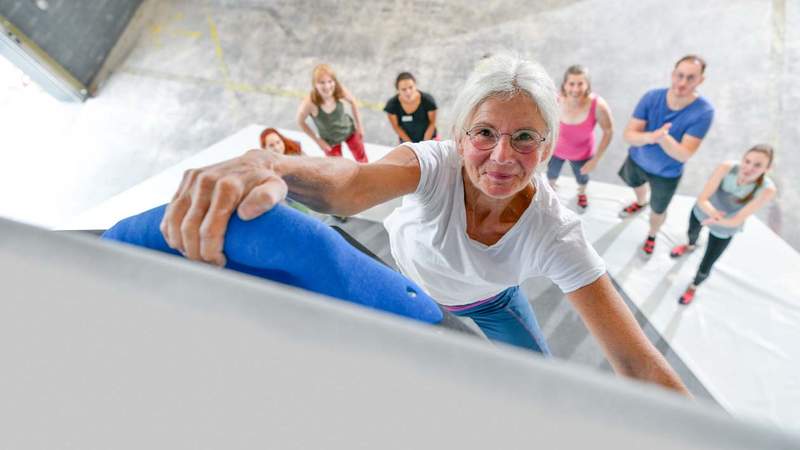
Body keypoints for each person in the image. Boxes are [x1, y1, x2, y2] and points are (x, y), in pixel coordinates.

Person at [160, 54, 689, 395]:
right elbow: (350, 183)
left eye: (525, 137)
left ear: (548, 146)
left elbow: (638, 364)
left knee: (539, 384)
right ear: (459, 138)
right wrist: (273, 164)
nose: (502, 157)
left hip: (491, 302)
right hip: (411, 280)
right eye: (485, 133)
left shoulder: (555, 232)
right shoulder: (435, 165)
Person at [618, 55, 715, 255]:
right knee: (637, 187)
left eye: (690, 78)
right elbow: (629, 135)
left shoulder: (704, 111)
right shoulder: (652, 97)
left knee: (658, 210)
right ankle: (640, 202)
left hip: (666, 174)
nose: (682, 82)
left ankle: (652, 234)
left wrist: (663, 138)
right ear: (672, 74)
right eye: (680, 75)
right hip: (637, 160)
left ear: (700, 80)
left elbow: (683, 155)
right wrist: (651, 136)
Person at [670, 145, 777, 305]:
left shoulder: (767, 189)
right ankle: (690, 245)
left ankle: (694, 285)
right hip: (705, 211)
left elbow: (739, 219)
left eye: (757, 165)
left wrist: (716, 221)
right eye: (747, 161)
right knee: (692, 233)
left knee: (709, 260)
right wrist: (712, 214)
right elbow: (702, 198)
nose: (749, 168)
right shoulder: (727, 167)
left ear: (767, 169)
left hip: (726, 226)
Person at [547, 65, 613, 208]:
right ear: (564, 85)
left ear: (587, 85)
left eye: (580, 84)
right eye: (571, 84)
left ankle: (582, 193)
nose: (576, 89)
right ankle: (550, 189)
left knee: (582, 178)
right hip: (556, 151)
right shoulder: (554, 101)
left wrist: (595, 160)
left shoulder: (598, 105)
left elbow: (608, 131)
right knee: (552, 173)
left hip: (583, 154)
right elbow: (543, 122)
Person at [296, 64, 368, 162]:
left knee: (362, 159)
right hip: (329, 141)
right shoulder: (310, 103)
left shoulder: (338, 90)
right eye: (322, 83)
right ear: (315, 84)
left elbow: (353, 102)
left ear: (334, 81)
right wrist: (318, 141)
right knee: (337, 168)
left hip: (349, 130)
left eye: (330, 81)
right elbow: (300, 122)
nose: (327, 86)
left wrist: (360, 126)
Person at [383, 72, 438, 143]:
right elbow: (396, 127)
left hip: (429, 138)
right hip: (407, 140)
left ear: (415, 86)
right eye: (403, 89)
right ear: (398, 90)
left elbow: (432, 123)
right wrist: (410, 144)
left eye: (411, 87)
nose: (408, 92)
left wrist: (425, 143)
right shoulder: (392, 105)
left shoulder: (428, 100)